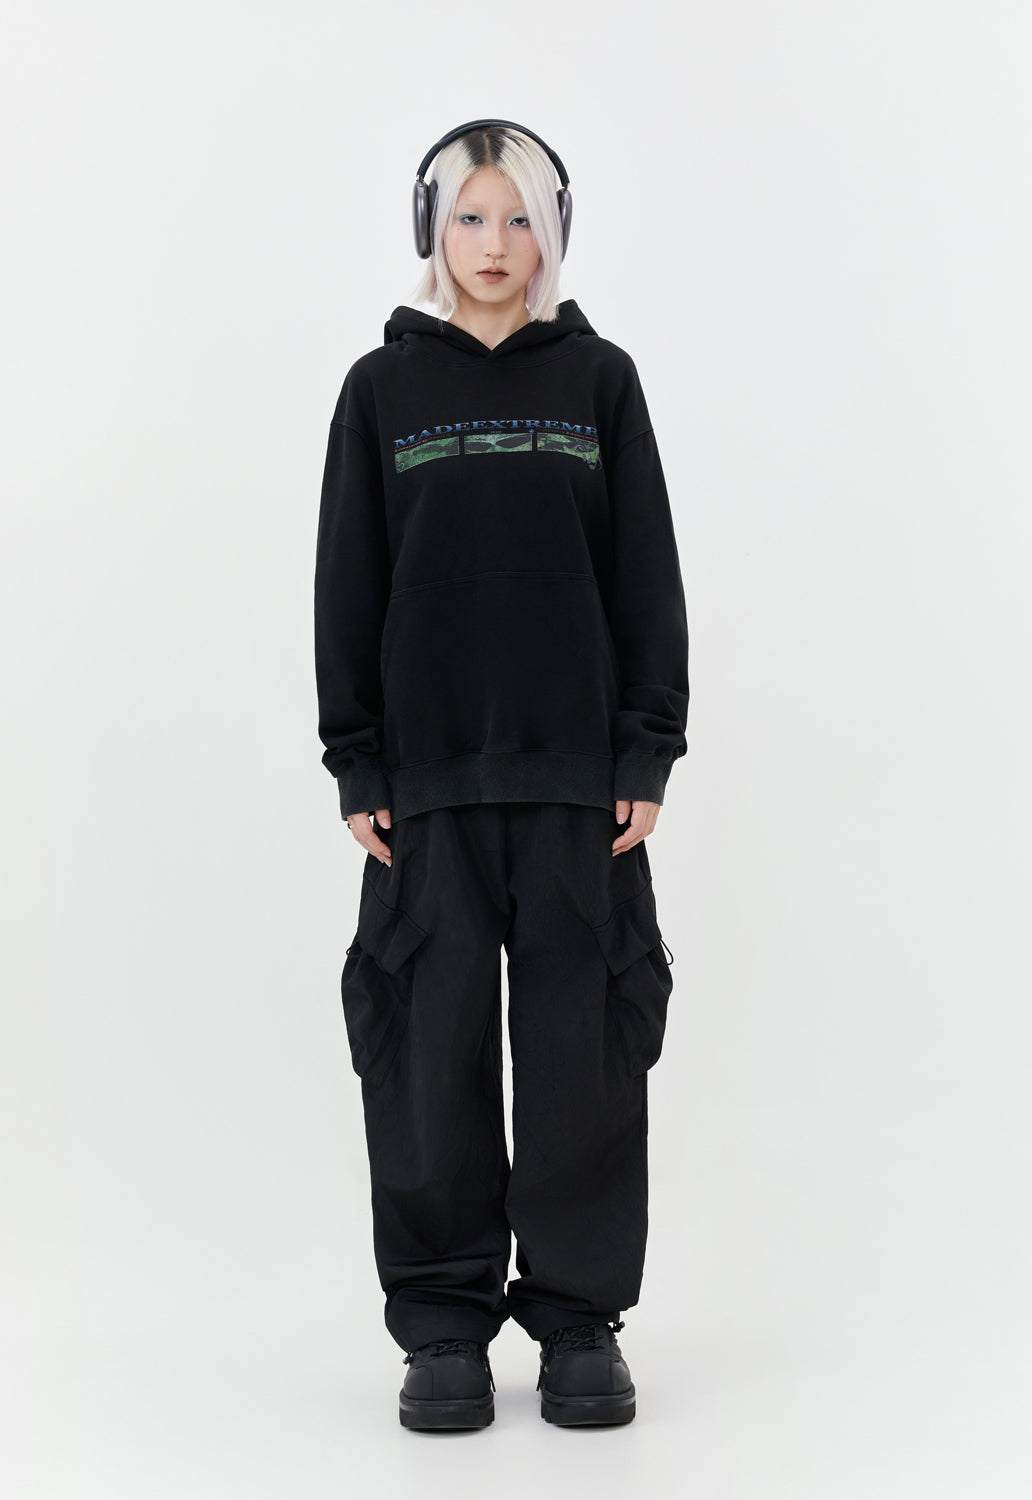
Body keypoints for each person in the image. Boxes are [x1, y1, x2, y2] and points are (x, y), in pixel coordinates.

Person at [313, 119, 689, 1431]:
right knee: (427, 1056)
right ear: (432, 229)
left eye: (519, 218)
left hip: (581, 785)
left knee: (586, 1053)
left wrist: (645, 746)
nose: (493, 244)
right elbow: (347, 580)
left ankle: (580, 1320)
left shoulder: (600, 381)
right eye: (470, 217)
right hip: (425, 791)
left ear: (553, 231)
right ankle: (441, 1328)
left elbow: (645, 573)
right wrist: (357, 758)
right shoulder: (381, 390)